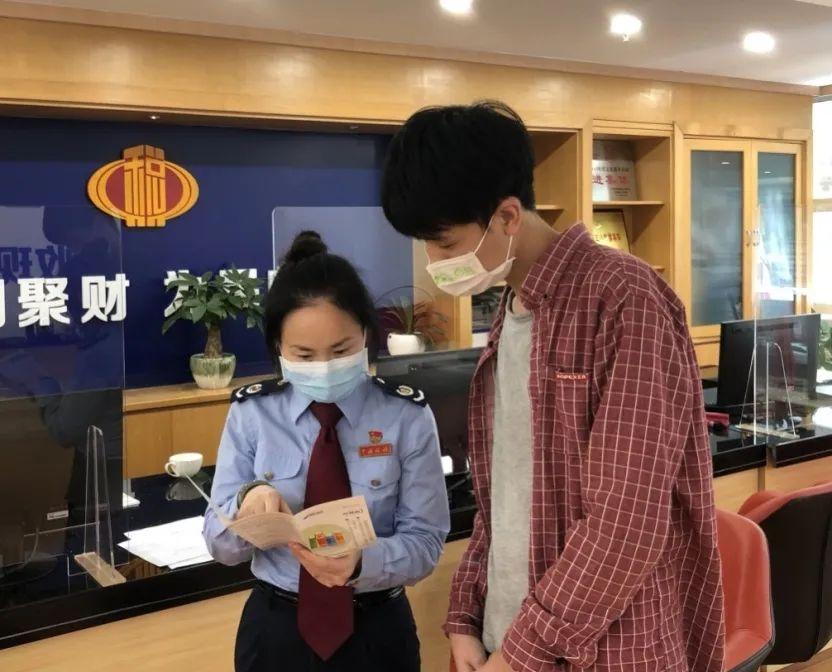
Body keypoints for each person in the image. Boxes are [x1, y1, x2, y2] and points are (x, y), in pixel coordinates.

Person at [381, 101, 725, 672]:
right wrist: (467, 614)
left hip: (606, 651)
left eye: (444, 243)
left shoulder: (623, 297)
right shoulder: (512, 311)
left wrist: (522, 653)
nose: (434, 262)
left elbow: (626, 521)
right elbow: (503, 497)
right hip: (513, 639)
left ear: (507, 216)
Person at [203, 230, 450, 672]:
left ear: (367, 336)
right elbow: (219, 546)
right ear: (279, 349)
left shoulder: (405, 416)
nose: (324, 367)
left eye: (341, 350)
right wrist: (246, 505)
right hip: (277, 630)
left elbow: (426, 543)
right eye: (304, 354)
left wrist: (362, 563)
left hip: (377, 630)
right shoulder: (253, 413)